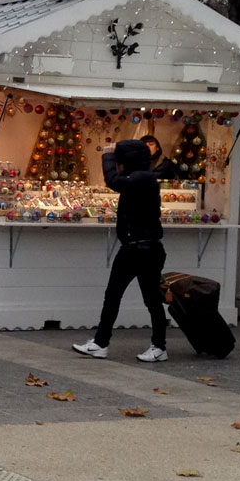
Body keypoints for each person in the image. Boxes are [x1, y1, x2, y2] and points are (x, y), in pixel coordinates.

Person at [73, 138, 169, 363]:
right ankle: (100, 343)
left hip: (145, 250)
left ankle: (159, 346)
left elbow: (113, 181)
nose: (118, 165)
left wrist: (107, 155)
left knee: (151, 299)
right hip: (133, 248)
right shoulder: (137, 178)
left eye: (120, 161)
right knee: (113, 295)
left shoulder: (143, 178)